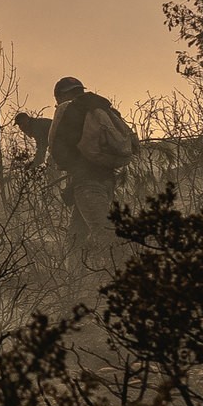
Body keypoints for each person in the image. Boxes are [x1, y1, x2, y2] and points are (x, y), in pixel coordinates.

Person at [45, 76, 135, 267]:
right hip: (107, 180)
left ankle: (130, 280)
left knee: (104, 233)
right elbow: (131, 143)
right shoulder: (103, 108)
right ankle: (74, 286)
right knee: (75, 238)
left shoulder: (68, 109)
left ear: (60, 95)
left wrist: (71, 166)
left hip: (86, 184)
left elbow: (56, 148)